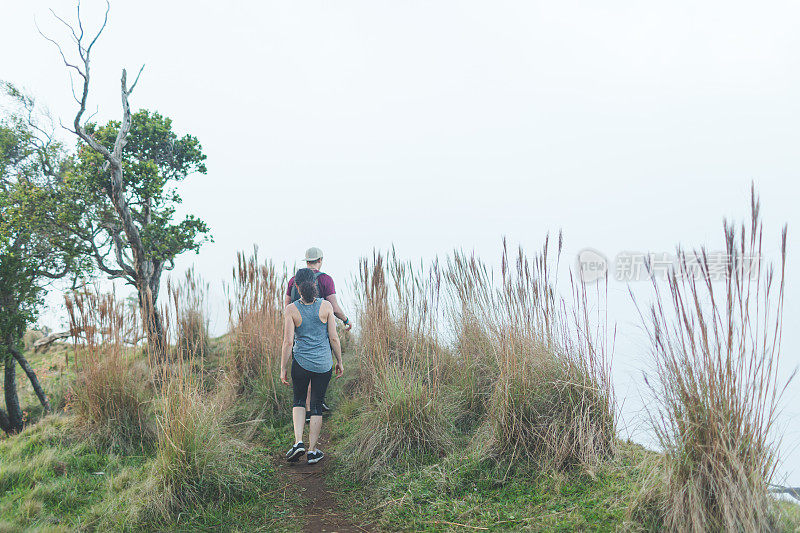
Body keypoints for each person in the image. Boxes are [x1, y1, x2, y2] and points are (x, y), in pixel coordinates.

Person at [280, 268, 344, 465]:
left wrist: (283, 367)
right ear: (315, 286)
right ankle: (312, 451)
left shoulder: (291, 309)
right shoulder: (326, 307)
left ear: (297, 287)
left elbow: (288, 342)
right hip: (323, 365)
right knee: (316, 405)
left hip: (301, 363)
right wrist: (339, 361)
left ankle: (298, 441)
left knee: (299, 400)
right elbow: (334, 337)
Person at [285, 247, 350, 418]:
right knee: (317, 366)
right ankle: (315, 405)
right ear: (320, 260)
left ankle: (306, 409)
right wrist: (346, 320)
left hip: (297, 331)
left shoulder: (293, 280)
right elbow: (334, 308)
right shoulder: (326, 279)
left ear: (306, 261)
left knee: (303, 365)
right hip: (321, 333)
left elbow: (286, 305)